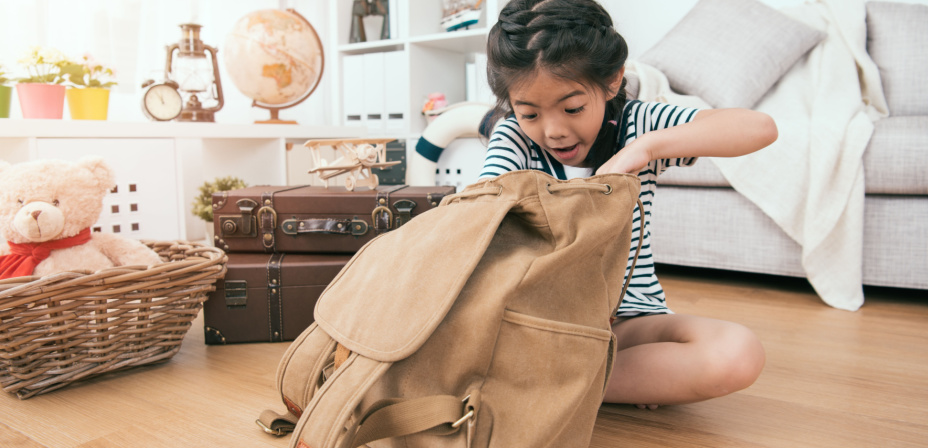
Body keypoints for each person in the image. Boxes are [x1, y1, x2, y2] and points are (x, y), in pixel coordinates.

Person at [480, 0, 773, 409]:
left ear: (613, 80)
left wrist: (644, 150)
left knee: (738, 354)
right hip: (540, 324)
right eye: (530, 113)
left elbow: (759, 128)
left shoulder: (637, 126)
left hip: (629, 320)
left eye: (573, 108)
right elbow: (482, 208)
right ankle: (596, 382)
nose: (554, 131)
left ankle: (546, 387)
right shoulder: (513, 136)